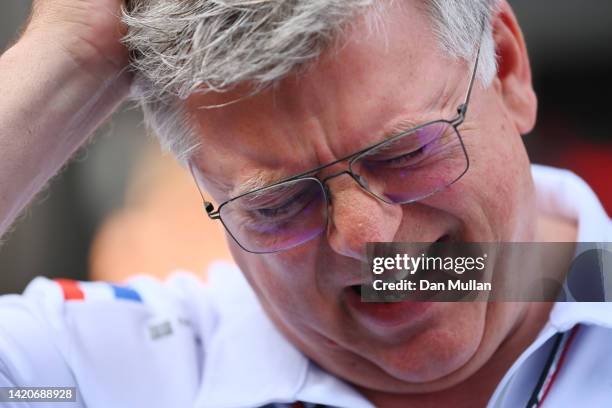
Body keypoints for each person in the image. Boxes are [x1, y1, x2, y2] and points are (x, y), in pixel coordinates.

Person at [0, 0, 610, 407]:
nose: (367, 239)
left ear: (504, 69)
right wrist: (72, 51)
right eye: (279, 204)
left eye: (402, 153)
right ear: (205, 192)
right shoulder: (123, 382)